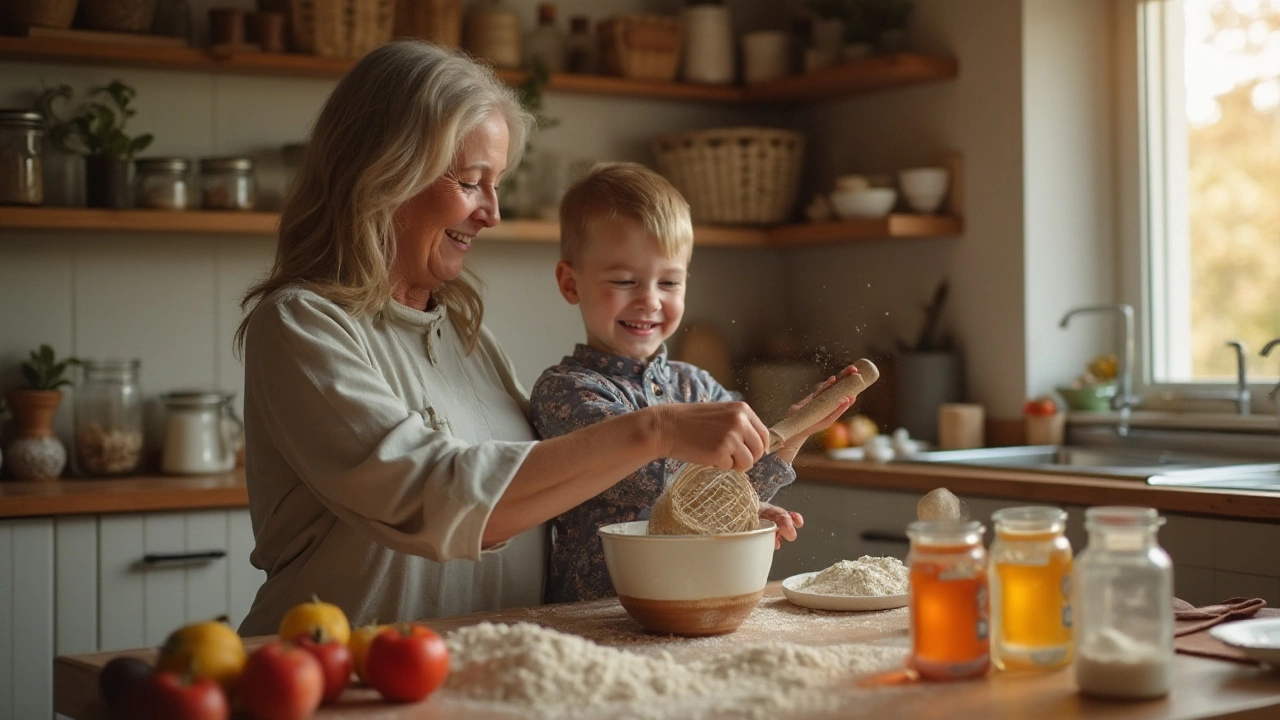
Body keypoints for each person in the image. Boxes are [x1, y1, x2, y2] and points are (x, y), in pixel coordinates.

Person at [232, 42, 780, 635]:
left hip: (479, 677)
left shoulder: (466, 339)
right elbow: (434, 501)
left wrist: (708, 520)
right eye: (471, 182)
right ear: (385, 173)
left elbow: (548, 494)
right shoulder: (301, 324)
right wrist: (657, 429)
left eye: (496, 184)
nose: (491, 213)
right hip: (342, 679)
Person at [530, 162, 861, 603]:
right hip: (594, 616)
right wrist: (725, 496)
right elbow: (642, 477)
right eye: (625, 280)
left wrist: (792, 436)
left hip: (693, 603)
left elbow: (736, 478)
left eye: (669, 282)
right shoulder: (566, 392)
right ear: (571, 283)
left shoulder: (697, 387)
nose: (649, 299)